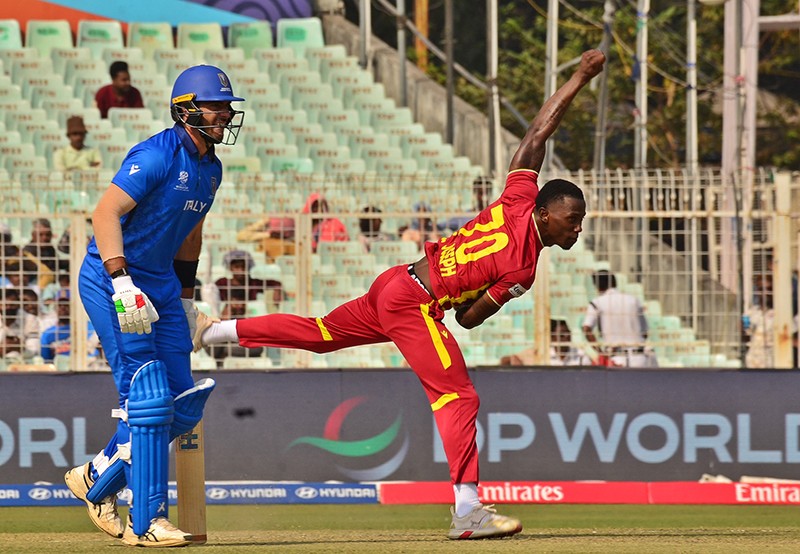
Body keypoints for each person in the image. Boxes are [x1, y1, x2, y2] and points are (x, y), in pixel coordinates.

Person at [193, 49, 605, 540]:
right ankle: (468, 512)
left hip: (396, 282)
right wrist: (482, 301)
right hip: (417, 303)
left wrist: (579, 77)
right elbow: (471, 320)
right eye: (571, 219)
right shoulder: (523, 266)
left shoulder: (517, 198)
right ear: (544, 214)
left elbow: (537, 133)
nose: (577, 229)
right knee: (458, 395)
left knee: (322, 332)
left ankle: (212, 330)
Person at [63, 64, 245, 547]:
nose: (224, 114)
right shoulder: (156, 154)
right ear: (186, 109)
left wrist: (185, 298)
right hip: (111, 278)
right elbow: (105, 212)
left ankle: (96, 479)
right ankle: (148, 523)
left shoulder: (212, 167)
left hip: (163, 285)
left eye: (227, 106)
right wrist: (122, 280)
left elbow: (191, 232)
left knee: (183, 406)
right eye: (215, 106)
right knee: (147, 400)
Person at [582, 270, 657, 368]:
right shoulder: (634, 300)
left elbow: (586, 329)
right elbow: (645, 332)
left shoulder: (597, 303)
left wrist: (600, 352)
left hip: (617, 358)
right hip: (640, 357)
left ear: (597, 286)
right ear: (614, 283)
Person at [500, 319, 591, 366]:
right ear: (552, 337)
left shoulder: (580, 356)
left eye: (568, 334)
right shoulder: (541, 354)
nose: (567, 337)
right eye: (562, 335)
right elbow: (506, 360)